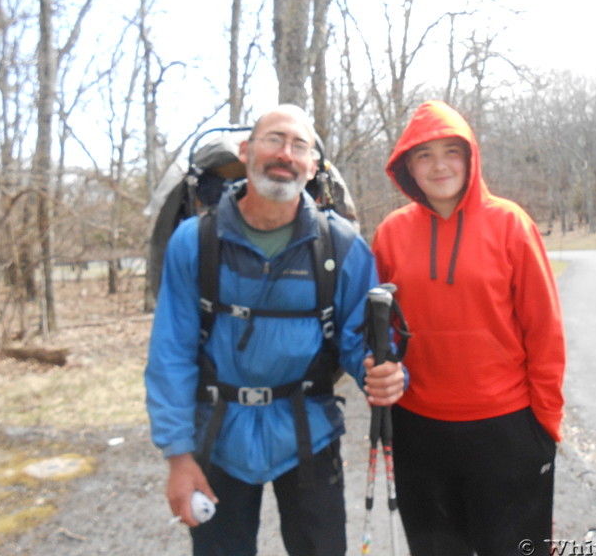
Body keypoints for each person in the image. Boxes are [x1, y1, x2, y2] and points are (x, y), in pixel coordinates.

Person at [145, 104, 405, 556]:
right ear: (246, 151)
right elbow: (171, 353)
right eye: (274, 139)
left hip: (309, 429)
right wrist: (178, 458)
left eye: (299, 146)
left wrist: (381, 373)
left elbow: (360, 341)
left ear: (312, 167)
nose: (285, 153)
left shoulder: (341, 245)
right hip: (218, 434)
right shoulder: (194, 241)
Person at [371, 100, 566, 556]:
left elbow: (545, 332)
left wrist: (546, 424)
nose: (439, 165)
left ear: (470, 157)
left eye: (450, 151)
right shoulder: (391, 234)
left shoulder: (511, 225)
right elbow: (379, 332)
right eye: (424, 154)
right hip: (419, 428)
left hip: (508, 428)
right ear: (407, 167)